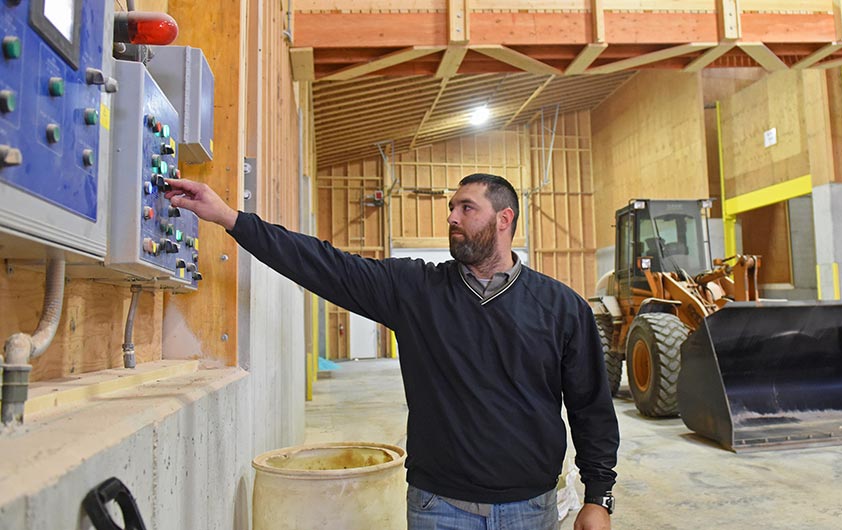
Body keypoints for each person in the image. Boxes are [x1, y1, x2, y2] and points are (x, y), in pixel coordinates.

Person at [165, 174, 619, 530]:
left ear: (504, 219)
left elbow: (590, 408)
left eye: (467, 208)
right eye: (451, 209)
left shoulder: (561, 307)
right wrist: (230, 218)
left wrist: (599, 497)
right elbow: (325, 265)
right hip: (439, 506)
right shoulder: (416, 289)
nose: (452, 218)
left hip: (530, 508)